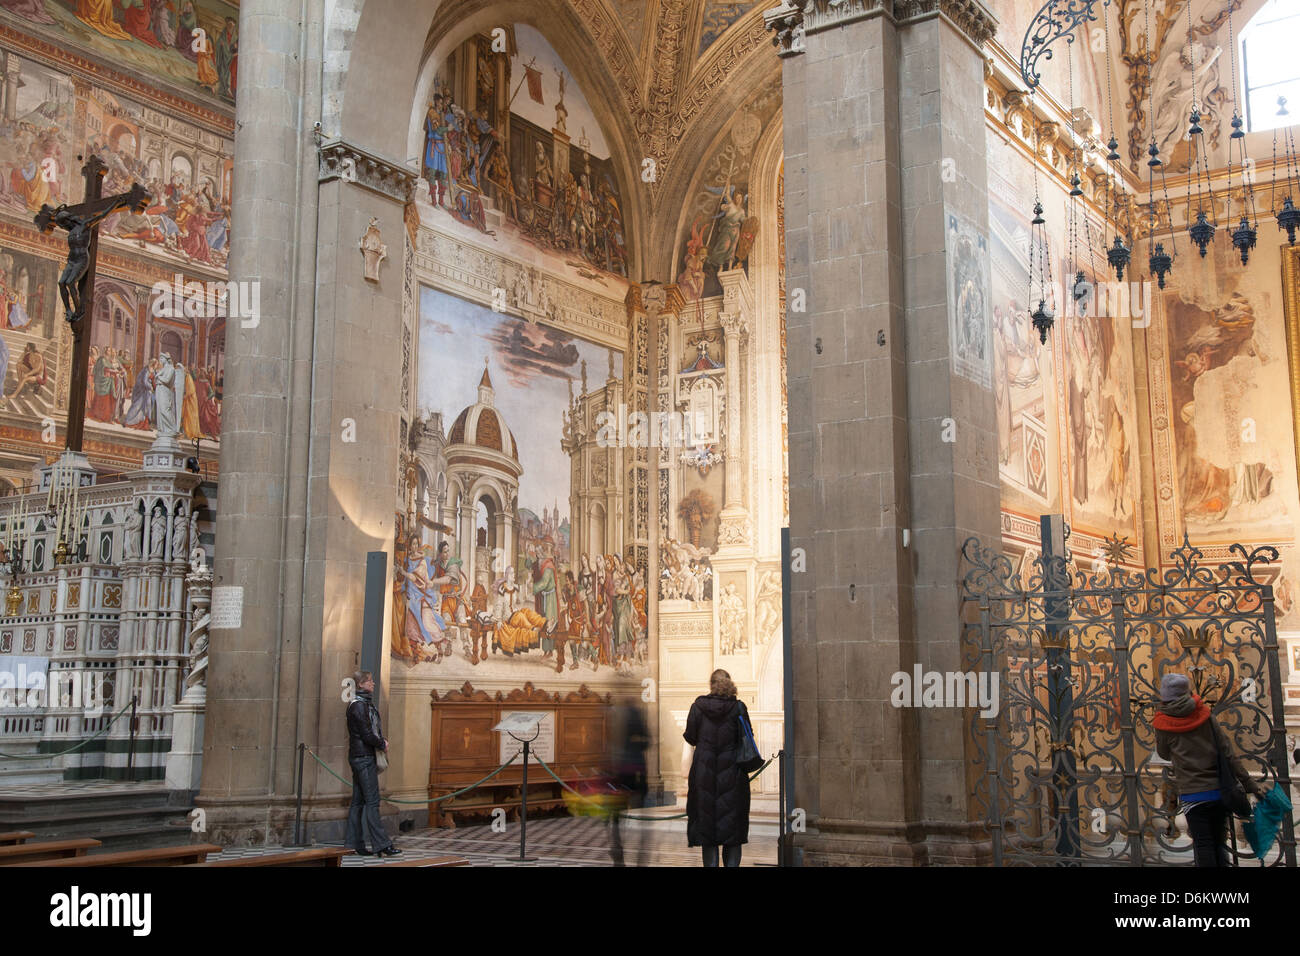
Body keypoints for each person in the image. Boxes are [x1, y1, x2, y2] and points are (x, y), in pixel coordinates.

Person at [1154, 672, 1267, 867]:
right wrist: (1248, 783)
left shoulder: (1163, 724)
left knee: (1203, 843)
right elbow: (1227, 752)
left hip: (1192, 793)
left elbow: (1163, 754)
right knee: (1218, 842)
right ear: (1187, 691)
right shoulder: (1205, 715)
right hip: (1218, 789)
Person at [684, 668, 752, 867]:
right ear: (729, 683)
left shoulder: (698, 707)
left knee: (709, 836)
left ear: (711, 685)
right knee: (733, 834)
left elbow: (691, 736)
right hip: (733, 776)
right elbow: (747, 738)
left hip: (704, 776)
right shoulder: (739, 708)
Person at [344, 671, 400, 857]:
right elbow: (367, 734)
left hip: (359, 756)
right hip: (364, 757)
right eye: (370, 681)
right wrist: (382, 743)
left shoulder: (361, 704)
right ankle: (382, 844)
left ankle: (353, 844)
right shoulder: (359, 706)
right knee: (372, 802)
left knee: (358, 802)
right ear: (360, 684)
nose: (373, 683)